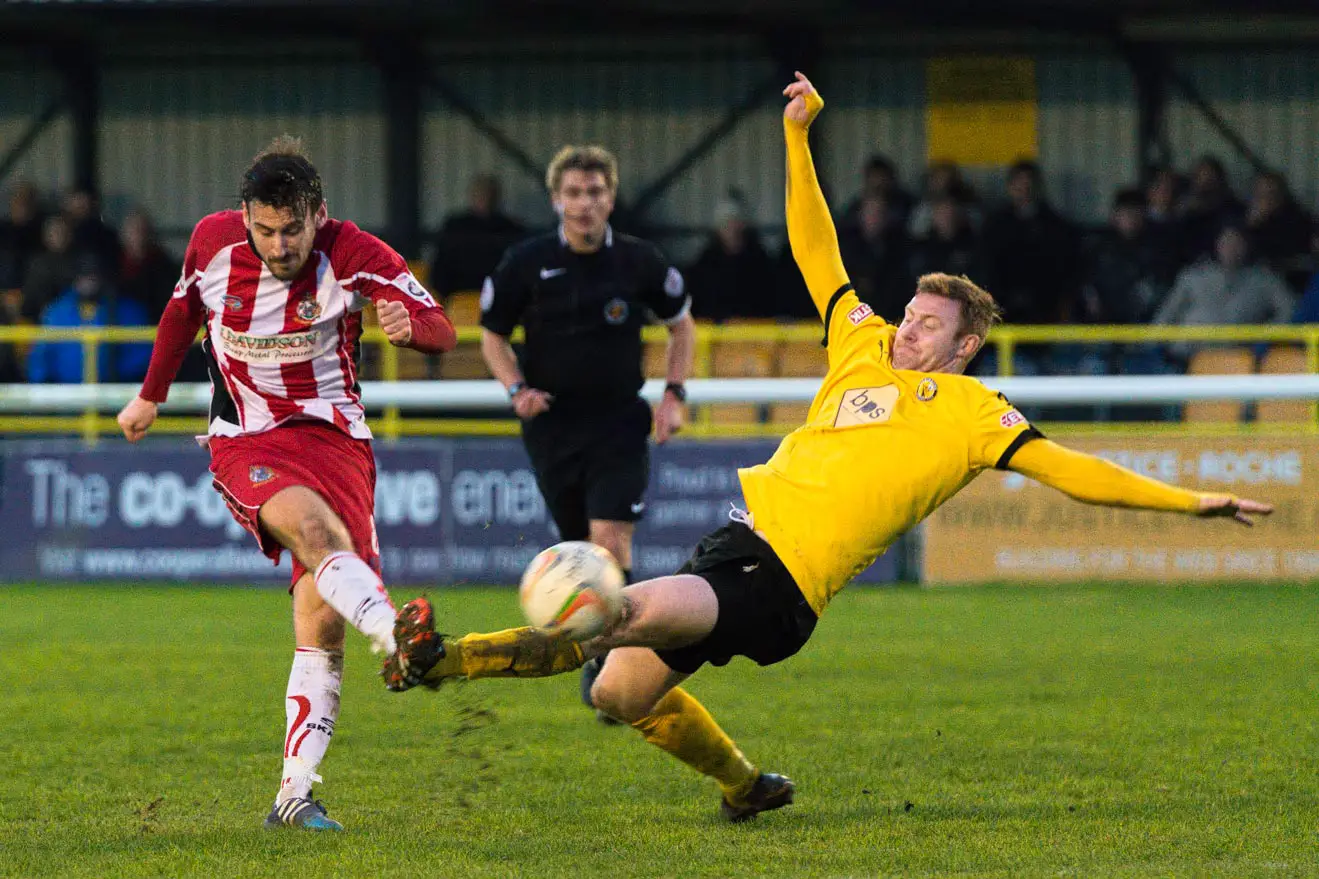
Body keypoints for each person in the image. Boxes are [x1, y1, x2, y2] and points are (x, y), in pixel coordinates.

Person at [382, 73, 1272, 823]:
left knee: (618, 605)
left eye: (926, 326)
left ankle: (439, 657)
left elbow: (1072, 471)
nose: (906, 331)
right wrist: (796, 137)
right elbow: (816, 244)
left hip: (779, 585)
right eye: (909, 315)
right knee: (620, 695)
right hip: (733, 544)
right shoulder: (860, 341)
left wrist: (1189, 500)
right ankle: (745, 786)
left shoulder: (974, 411)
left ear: (962, 347)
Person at [115, 136, 456, 832]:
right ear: (245, 217)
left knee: (321, 620)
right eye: (264, 230)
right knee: (312, 530)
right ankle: (394, 633)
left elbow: (443, 329)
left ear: (317, 213)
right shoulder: (211, 245)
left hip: (335, 441)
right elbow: (182, 314)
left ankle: (294, 795)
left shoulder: (356, 251)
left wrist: (409, 329)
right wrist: (150, 395)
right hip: (247, 436)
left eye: (292, 228)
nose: (278, 245)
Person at [477, 144, 696, 720]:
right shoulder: (525, 263)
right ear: (556, 199)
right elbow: (491, 334)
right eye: (574, 193)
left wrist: (674, 395)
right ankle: (619, 651)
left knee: (609, 546)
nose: (585, 203)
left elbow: (682, 326)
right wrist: (515, 389)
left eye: (595, 192)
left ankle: (611, 670)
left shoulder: (641, 262)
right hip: (552, 428)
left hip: (619, 422)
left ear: (611, 198)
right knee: (577, 553)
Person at [27, 256, 151, 384]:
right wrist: (43, 390)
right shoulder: (57, 311)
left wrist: (115, 375)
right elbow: (39, 358)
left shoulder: (126, 310)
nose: (87, 282)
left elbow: (142, 355)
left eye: (92, 277)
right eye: (83, 276)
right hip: (64, 395)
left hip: (112, 393)